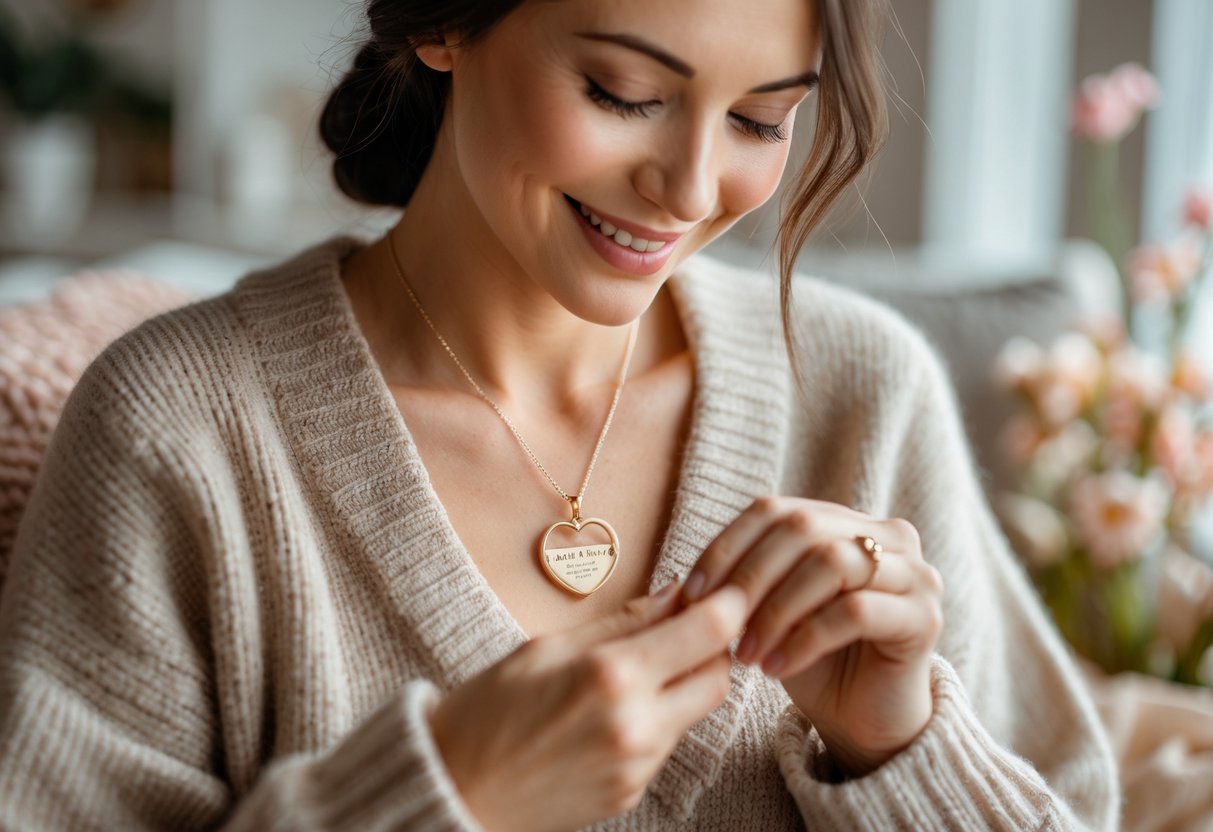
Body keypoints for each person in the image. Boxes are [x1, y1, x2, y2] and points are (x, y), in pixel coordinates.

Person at [0, 0, 1120, 829]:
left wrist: (903, 745)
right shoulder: (178, 434)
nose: (688, 188)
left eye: (760, 120)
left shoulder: (864, 394)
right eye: (624, 95)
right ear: (444, 22)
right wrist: (448, 794)